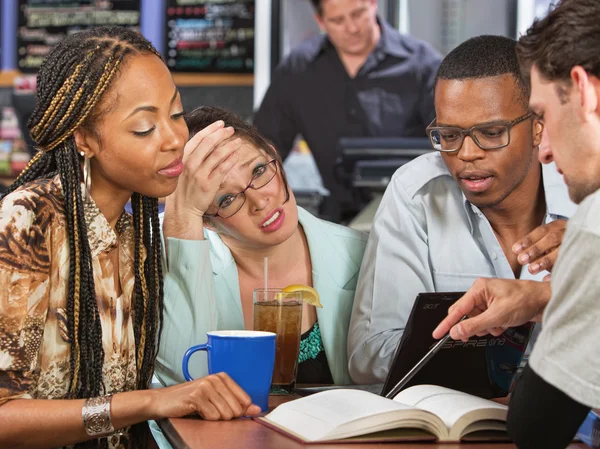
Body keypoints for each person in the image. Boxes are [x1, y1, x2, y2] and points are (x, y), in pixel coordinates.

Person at [0, 27, 260, 449]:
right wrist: (148, 403)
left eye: (176, 115)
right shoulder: (26, 223)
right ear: (83, 139)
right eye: (144, 128)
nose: (176, 139)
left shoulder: (133, 228)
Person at [347, 35, 576, 384]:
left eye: (492, 132)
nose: (467, 153)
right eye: (449, 135)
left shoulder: (586, 196)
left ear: (537, 126)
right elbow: (370, 353)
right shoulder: (416, 194)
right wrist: (494, 341)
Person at [433, 1, 600, 447]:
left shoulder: (594, 224)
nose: (544, 151)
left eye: (542, 115)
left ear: (584, 92)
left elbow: (534, 428)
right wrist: (544, 298)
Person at [154, 106, 368, 389]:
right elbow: (182, 380)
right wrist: (183, 219)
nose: (260, 201)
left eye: (258, 171)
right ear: (207, 222)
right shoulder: (161, 254)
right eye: (228, 199)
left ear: (273, 154)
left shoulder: (363, 255)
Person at [253, 0, 441, 222]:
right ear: (320, 21)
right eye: (338, 20)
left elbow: (449, 144)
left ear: (372, 4)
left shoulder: (423, 65)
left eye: (358, 14)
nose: (352, 28)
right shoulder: (298, 70)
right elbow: (264, 150)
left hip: (417, 214)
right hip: (337, 219)